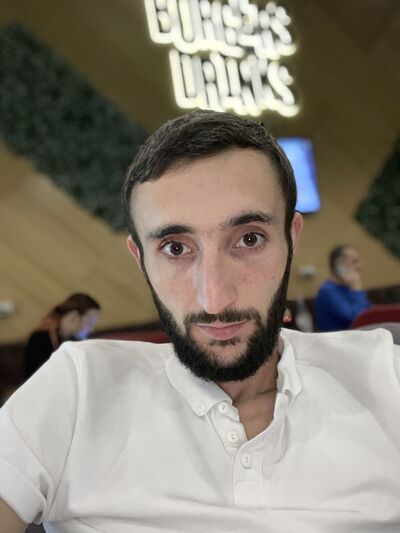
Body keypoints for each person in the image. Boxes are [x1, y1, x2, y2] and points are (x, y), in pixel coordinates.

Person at [0, 111, 399, 533]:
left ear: (291, 238)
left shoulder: (386, 375)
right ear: (140, 258)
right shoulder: (78, 389)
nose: (215, 298)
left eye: (249, 239)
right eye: (175, 248)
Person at [24, 293, 101, 379]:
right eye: (90, 323)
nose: (91, 329)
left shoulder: (73, 340)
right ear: (74, 317)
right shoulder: (40, 338)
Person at [315, 245, 371, 331]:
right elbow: (357, 319)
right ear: (339, 266)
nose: (360, 266)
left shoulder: (347, 288)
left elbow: (370, 312)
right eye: (354, 261)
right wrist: (356, 289)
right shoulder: (327, 291)